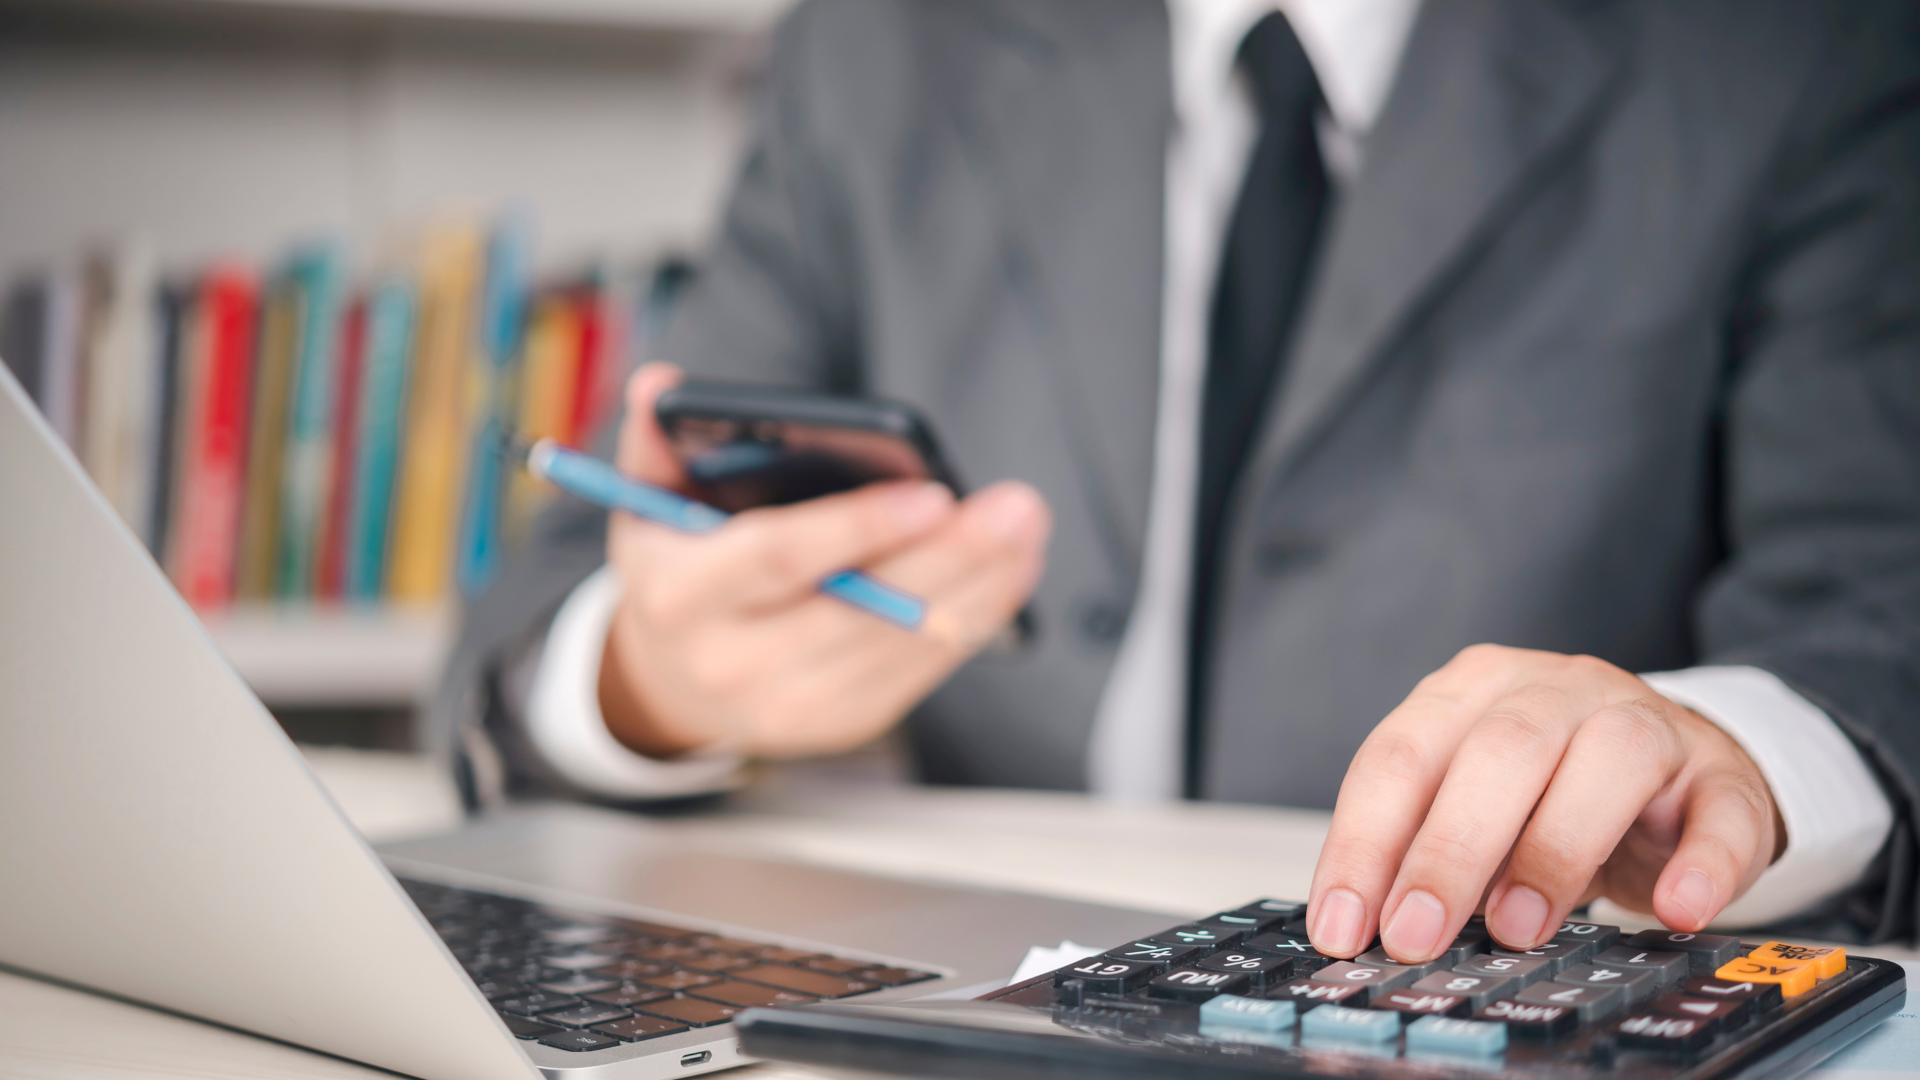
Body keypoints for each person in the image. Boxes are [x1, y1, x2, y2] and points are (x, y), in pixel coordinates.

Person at [437, 0, 1920, 962]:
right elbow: (544, 606)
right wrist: (650, 679)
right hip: (936, 1001)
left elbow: (1880, 613)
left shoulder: (1795, 50)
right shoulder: (882, 44)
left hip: (1474, 998)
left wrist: (1731, 755)